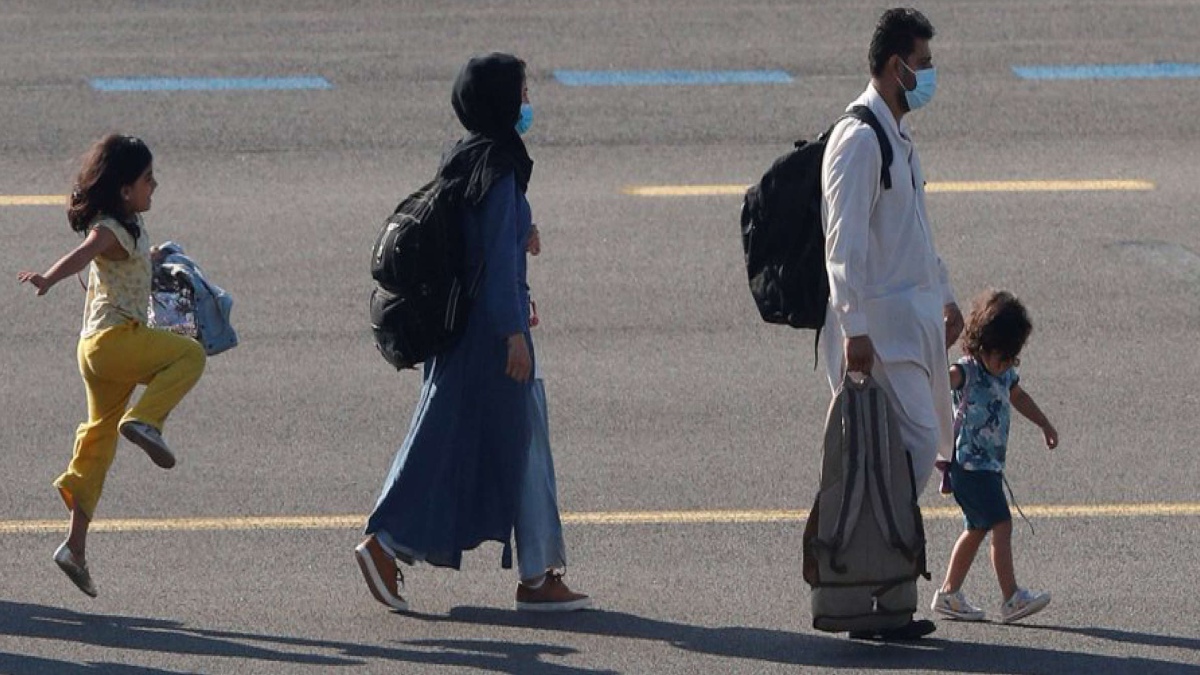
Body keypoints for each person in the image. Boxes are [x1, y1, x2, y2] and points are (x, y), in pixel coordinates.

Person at [354, 52, 591, 613]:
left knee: (504, 437)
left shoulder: (468, 156)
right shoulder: (501, 166)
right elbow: (493, 264)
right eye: (523, 92)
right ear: (501, 102)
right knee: (447, 438)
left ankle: (538, 572)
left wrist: (520, 230)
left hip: (464, 329)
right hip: (490, 336)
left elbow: (478, 235)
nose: (528, 103)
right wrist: (512, 335)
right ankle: (384, 542)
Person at [819, 7, 961, 640]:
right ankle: (868, 598)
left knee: (909, 456)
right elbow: (840, 245)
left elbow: (916, 233)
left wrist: (947, 297)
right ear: (892, 66)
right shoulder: (857, 140)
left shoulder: (898, 137)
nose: (928, 76)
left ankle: (884, 597)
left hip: (910, 325)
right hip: (873, 336)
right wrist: (853, 329)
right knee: (892, 460)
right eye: (922, 64)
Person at [17, 134, 207, 598]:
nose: (154, 186)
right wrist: (48, 278)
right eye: (147, 179)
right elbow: (84, 253)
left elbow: (127, 258)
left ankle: (74, 548)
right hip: (113, 343)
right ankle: (145, 420)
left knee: (99, 443)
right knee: (189, 355)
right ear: (124, 189)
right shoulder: (108, 228)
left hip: (98, 355)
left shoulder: (131, 226)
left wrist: (158, 257)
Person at [931, 289, 1058, 624]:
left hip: (987, 466)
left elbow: (1019, 396)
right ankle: (1011, 596)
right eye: (1001, 357)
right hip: (968, 466)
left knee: (976, 529)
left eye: (1012, 359)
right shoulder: (969, 370)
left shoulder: (1004, 373)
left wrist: (1044, 423)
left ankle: (949, 593)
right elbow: (945, 379)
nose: (1005, 366)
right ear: (982, 345)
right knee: (1001, 523)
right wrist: (932, 363)